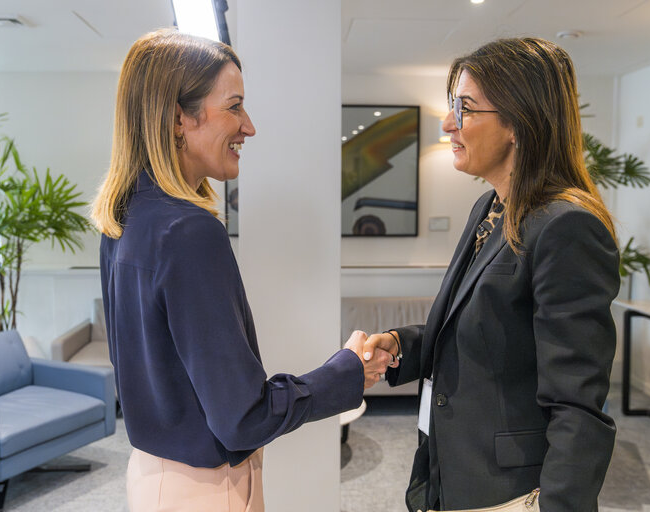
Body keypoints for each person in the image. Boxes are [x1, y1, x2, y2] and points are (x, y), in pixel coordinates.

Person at [90, 29, 395, 512]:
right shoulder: (188, 231)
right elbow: (242, 417)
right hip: (205, 491)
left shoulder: (123, 217)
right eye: (234, 107)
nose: (248, 126)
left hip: (153, 477)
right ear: (177, 117)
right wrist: (347, 371)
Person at [362, 37, 620, 512]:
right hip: (455, 465)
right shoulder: (491, 207)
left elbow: (578, 405)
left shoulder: (566, 226)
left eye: (464, 110)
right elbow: (484, 334)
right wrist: (402, 344)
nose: (447, 125)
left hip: (511, 492)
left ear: (519, 123)